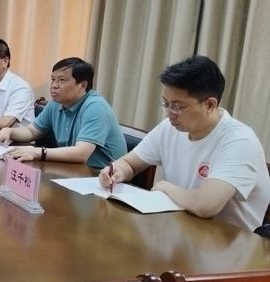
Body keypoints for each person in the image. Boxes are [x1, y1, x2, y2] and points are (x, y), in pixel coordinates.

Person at [99, 56, 270, 231]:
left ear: (210, 105)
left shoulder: (240, 141)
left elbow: (206, 205)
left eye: (178, 107)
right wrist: (116, 172)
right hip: (177, 230)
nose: (170, 113)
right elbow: (129, 163)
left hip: (227, 242)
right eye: (166, 103)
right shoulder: (169, 128)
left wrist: (164, 187)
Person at [0, 57, 126, 169]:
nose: (54, 85)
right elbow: (32, 132)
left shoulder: (95, 107)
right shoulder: (56, 103)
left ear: (82, 85)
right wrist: (9, 131)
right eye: (53, 79)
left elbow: (82, 153)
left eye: (61, 80)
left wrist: (37, 152)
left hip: (102, 177)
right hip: (74, 171)